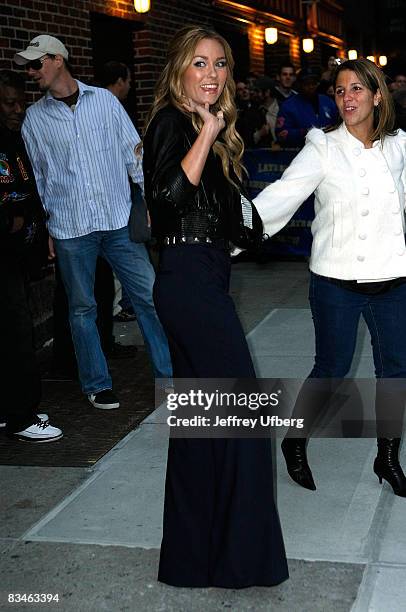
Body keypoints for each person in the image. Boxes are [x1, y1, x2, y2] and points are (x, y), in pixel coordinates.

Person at [143, 25, 288, 588]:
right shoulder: (172, 123)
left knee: (204, 423)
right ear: (181, 69)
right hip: (186, 282)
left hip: (204, 278)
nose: (211, 75)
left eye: (221, 65)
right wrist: (205, 133)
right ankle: (241, 560)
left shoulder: (220, 133)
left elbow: (241, 227)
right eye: (200, 64)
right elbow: (166, 202)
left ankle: (191, 560)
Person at [254, 58, 406, 497]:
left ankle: (389, 458)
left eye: (357, 89)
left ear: (377, 96)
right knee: (332, 370)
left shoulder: (399, 146)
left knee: (395, 373)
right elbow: (281, 196)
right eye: (340, 91)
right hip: (337, 280)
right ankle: (296, 440)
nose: (347, 98)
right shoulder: (322, 146)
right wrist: (228, 235)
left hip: (392, 279)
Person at [15, 34, 172, 410]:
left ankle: (169, 378)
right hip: (70, 228)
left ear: (57, 59)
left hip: (117, 220)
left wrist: (147, 201)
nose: (32, 72)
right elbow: (37, 179)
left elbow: (134, 153)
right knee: (82, 308)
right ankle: (96, 383)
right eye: (29, 66)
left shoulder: (104, 101)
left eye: (37, 64)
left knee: (150, 297)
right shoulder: (34, 120)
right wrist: (47, 229)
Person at [0, 70, 62, 442]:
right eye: (9, 102)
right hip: (3, 256)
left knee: (10, 335)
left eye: (21, 102)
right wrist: (12, 219)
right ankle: (21, 417)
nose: (18, 109)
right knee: (16, 334)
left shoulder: (13, 140)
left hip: (18, 256)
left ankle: (12, 409)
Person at [275, 66, 338, 147]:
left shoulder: (327, 101)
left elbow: (338, 124)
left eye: (313, 83)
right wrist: (306, 132)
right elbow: (281, 134)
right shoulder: (288, 106)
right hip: (301, 152)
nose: (311, 86)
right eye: (307, 84)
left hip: (328, 151)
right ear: (300, 85)